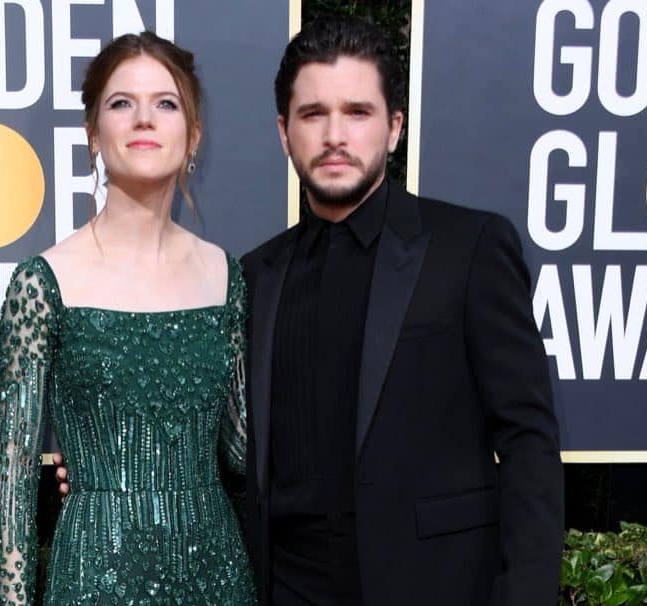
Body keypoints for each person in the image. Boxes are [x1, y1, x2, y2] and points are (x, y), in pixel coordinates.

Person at [57, 15, 564, 606]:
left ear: (394, 128)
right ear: (283, 132)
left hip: (434, 585)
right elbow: (219, 442)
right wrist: (109, 460)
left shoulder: (469, 249)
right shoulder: (250, 277)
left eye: (358, 112)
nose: (334, 136)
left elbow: (529, 443)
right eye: (313, 114)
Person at [0, 32, 255, 605]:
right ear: (92, 135)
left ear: (194, 137)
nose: (144, 119)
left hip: (216, 573)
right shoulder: (43, 282)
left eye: (166, 103)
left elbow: (240, 451)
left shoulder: (225, 276)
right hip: (94, 575)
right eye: (120, 103)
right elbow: (12, 480)